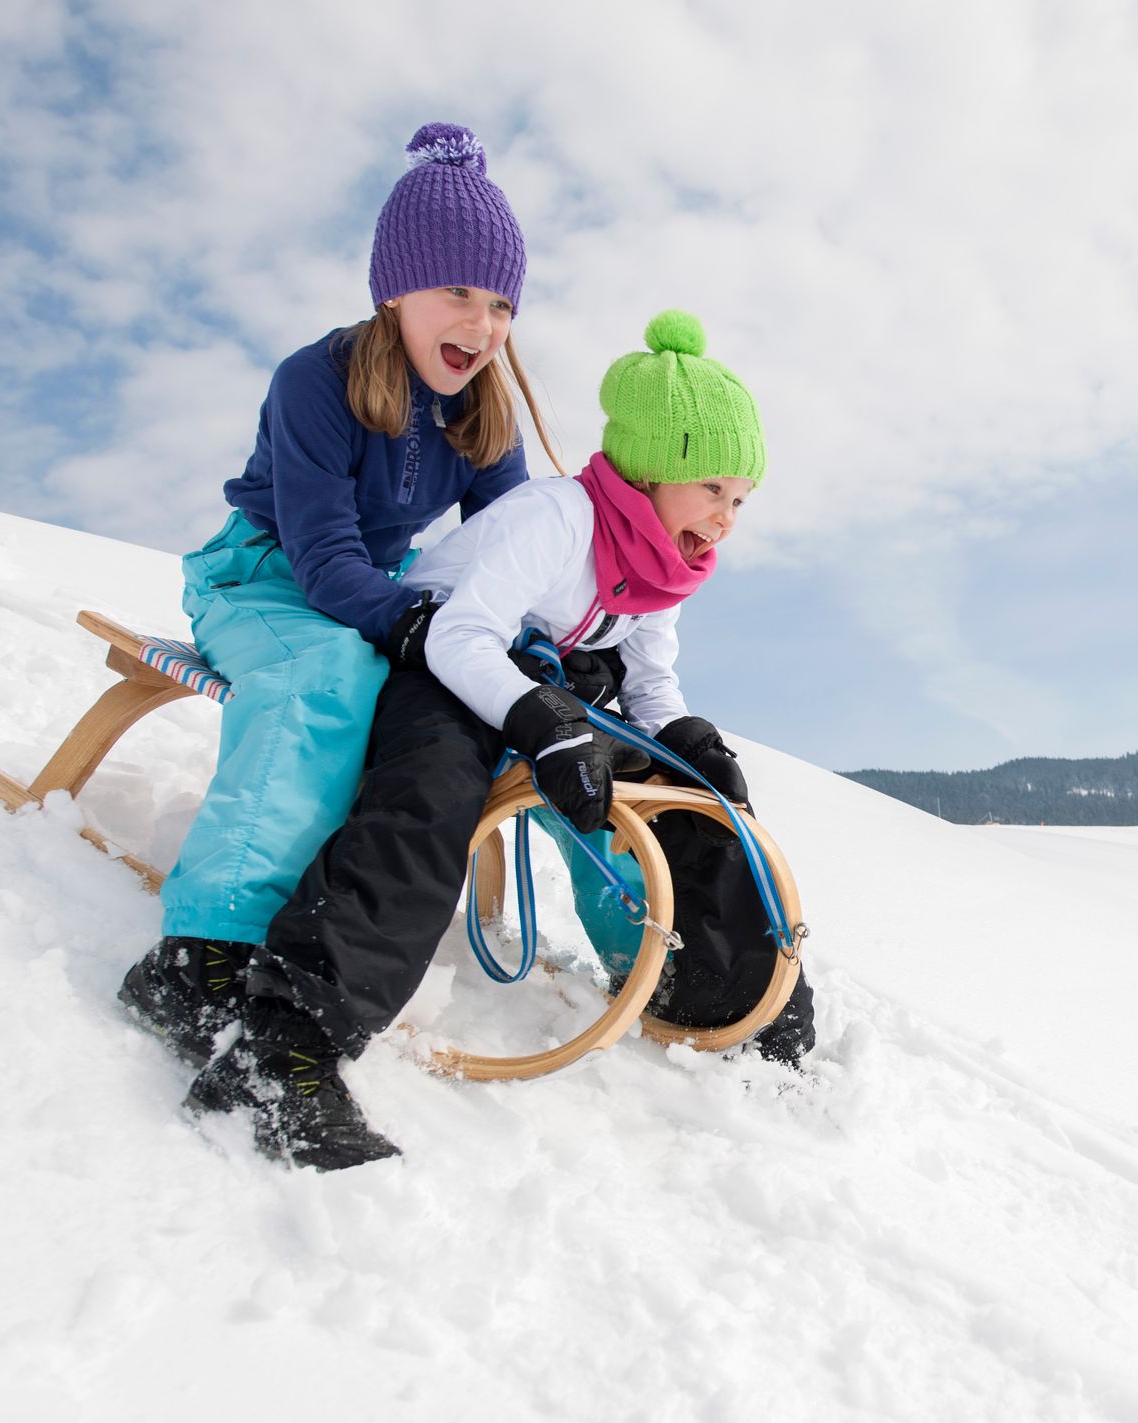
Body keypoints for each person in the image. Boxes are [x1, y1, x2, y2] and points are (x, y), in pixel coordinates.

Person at [187, 311, 814, 1169]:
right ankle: (285, 1040)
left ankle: (736, 999)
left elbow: (648, 677)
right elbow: (457, 638)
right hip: (445, 658)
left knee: (684, 796)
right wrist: (533, 719)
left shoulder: (662, 563)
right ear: (658, 469)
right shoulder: (558, 517)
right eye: (713, 489)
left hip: (546, 677)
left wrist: (685, 737)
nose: (727, 518)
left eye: (740, 500)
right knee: (432, 796)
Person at [118, 122, 562, 1063]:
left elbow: (514, 549)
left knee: (421, 701)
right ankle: (199, 949)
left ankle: (328, 907)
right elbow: (321, 563)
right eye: (458, 293)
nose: (482, 328)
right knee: (322, 678)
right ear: (396, 286)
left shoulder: (484, 414)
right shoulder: (314, 382)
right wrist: (412, 618)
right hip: (261, 578)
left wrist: (526, 640)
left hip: (371, 591)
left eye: (502, 305)